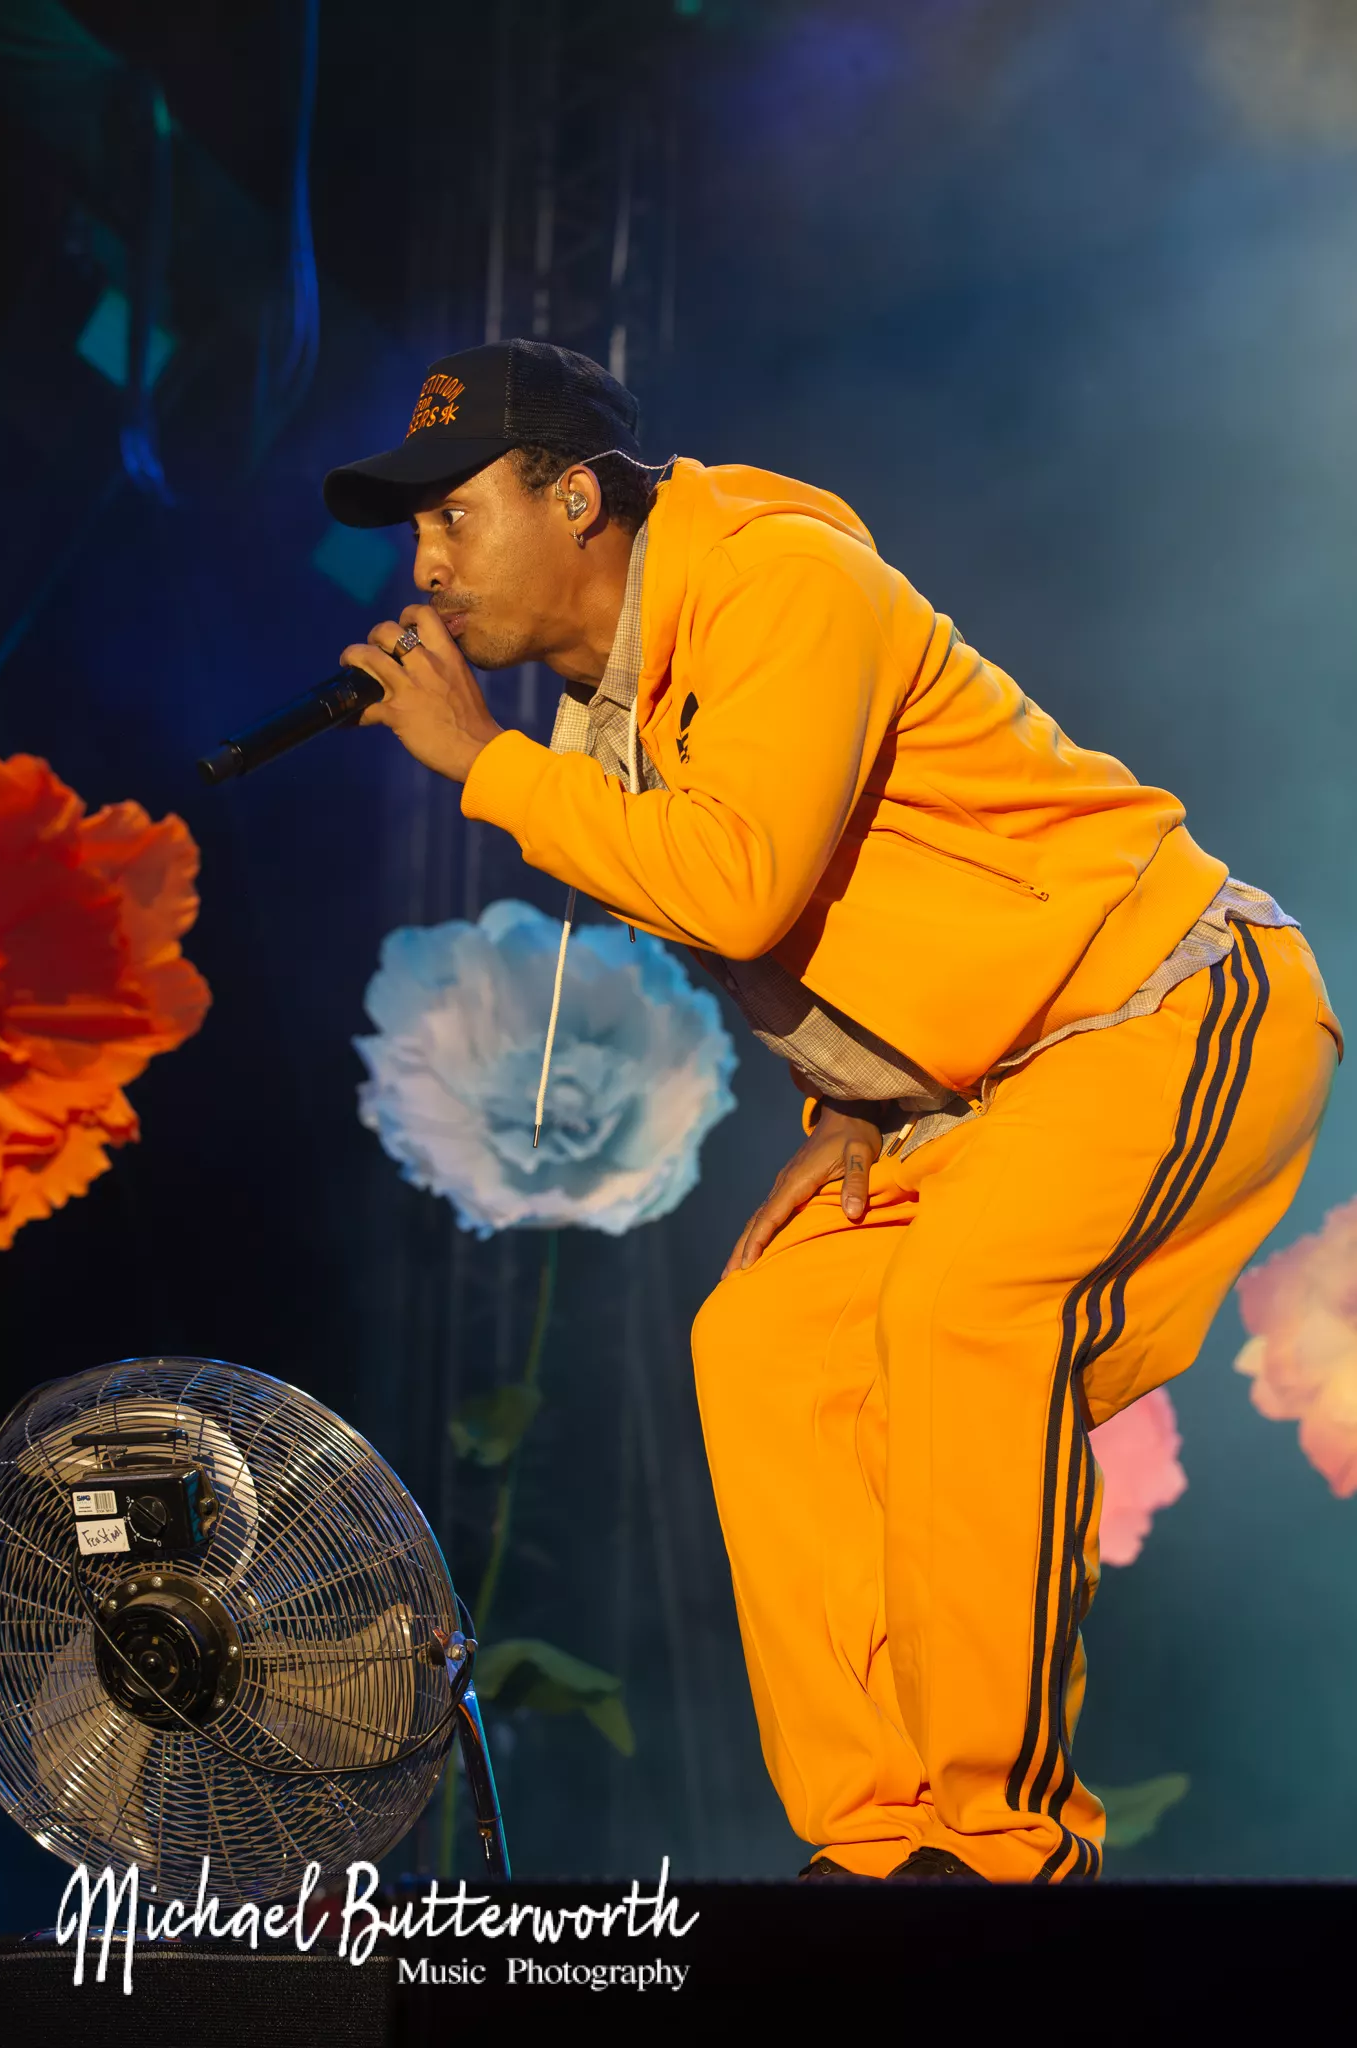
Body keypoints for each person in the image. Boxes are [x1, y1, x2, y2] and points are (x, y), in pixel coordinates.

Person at [326, 338, 1340, 1882]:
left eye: (454, 516)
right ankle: (878, 1841)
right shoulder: (617, 711)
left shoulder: (779, 580)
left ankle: (1001, 1843)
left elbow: (741, 886)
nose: (427, 566)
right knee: (769, 1338)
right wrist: (846, 1111)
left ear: (576, 498)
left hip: (1173, 1002)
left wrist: (486, 765)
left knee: (968, 1309)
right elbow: (827, 919)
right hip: (989, 1091)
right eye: (416, 530)